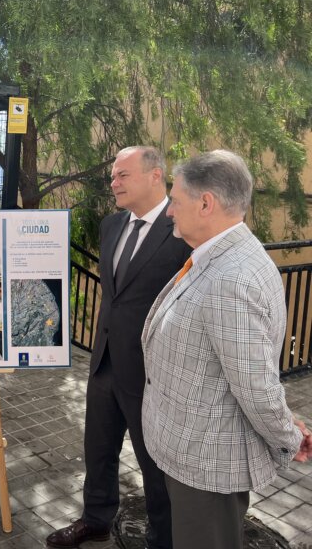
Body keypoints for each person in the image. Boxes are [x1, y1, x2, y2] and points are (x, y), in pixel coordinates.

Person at [141, 149, 311, 549]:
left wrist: (288, 435)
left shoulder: (231, 279)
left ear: (206, 203)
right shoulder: (222, 258)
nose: (168, 212)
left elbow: (255, 386)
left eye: (175, 202)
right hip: (194, 454)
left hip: (207, 465)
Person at [47, 146, 191, 549]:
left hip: (152, 373)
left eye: (123, 175)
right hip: (105, 364)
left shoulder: (181, 228)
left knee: (154, 465)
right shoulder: (112, 226)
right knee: (98, 451)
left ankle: (162, 539)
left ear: (154, 176)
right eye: (113, 175)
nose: (113, 182)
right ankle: (95, 520)